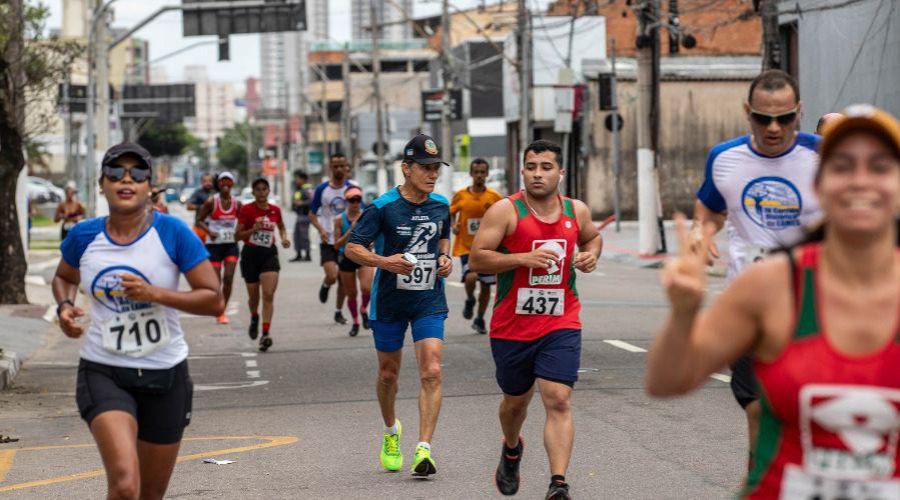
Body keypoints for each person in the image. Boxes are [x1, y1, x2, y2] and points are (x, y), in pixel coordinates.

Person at [647, 105, 900, 497]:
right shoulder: (771, 285)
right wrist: (683, 313)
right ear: (818, 184)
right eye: (843, 165)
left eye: (880, 166)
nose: (860, 181)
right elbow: (666, 382)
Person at [52, 142, 223, 499]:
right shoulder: (84, 235)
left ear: (150, 186)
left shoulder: (173, 232)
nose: (125, 179)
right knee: (126, 483)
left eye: (137, 173)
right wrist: (65, 306)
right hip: (104, 369)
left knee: (149, 494)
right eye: (115, 172)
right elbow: (64, 277)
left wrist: (154, 294)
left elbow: (212, 299)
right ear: (102, 183)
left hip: (166, 373)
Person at [692, 69, 822, 463]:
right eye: (763, 118)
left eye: (784, 118)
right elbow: (710, 210)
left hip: (811, 304)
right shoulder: (725, 158)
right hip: (747, 304)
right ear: (747, 111)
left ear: (798, 111)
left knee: (807, 408)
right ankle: (761, 478)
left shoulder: (823, 154)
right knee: (757, 405)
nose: (773, 128)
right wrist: (703, 232)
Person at [469, 140, 601, 500]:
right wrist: (521, 259)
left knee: (558, 398)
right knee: (515, 403)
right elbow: (478, 259)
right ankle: (511, 448)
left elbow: (592, 239)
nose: (537, 173)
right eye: (531, 167)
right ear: (522, 170)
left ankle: (558, 483)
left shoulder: (576, 211)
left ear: (561, 172)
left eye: (545, 167)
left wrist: (590, 256)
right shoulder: (505, 211)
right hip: (512, 326)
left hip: (561, 321)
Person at [345, 134, 452, 478]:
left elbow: (444, 234)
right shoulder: (383, 207)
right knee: (388, 374)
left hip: (428, 299)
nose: (432, 174)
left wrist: (446, 256)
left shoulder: (440, 205)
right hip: (389, 301)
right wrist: (384, 262)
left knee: (431, 370)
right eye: (425, 167)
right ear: (406, 168)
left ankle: (424, 448)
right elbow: (352, 248)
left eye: (436, 168)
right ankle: (391, 431)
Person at [235, 178, 290, 352]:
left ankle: (265, 333)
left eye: (264, 189)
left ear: (268, 191)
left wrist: (284, 238)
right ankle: (254, 317)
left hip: (269, 254)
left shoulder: (275, 210)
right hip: (250, 255)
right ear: (253, 192)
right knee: (253, 297)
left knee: (268, 294)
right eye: (257, 189)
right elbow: (237, 236)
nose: (261, 192)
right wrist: (253, 229)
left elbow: (281, 226)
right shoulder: (246, 210)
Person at [450, 158, 503, 334]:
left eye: (482, 172)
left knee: (487, 286)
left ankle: (480, 318)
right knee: (471, 277)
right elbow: (451, 212)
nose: (479, 175)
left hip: (488, 247)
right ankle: (470, 298)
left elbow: (504, 216)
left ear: (487, 174)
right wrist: (454, 225)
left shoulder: (494, 197)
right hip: (467, 246)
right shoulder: (461, 195)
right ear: (471, 174)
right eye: (476, 172)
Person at [195, 171, 241, 325]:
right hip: (214, 245)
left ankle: (222, 310)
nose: (226, 184)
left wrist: (240, 232)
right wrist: (210, 232)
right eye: (223, 181)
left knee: (228, 278)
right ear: (219, 184)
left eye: (228, 181)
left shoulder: (237, 203)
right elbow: (199, 220)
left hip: (230, 245)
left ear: (232, 184)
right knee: (216, 281)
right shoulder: (211, 202)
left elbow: (243, 222)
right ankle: (217, 305)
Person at [333, 186, 373, 337]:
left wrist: (371, 243)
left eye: (358, 199)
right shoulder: (339, 220)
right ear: (346, 201)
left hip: (364, 256)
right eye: (352, 200)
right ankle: (355, 321)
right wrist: (351, 230)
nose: (355, 203)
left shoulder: (367, 216)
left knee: (367, 288)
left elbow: (372, 236)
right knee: (351, 294)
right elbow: (336, 245)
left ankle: (363, 309)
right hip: (346, 257)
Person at [290, 170, 313, 262]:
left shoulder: (307, 189)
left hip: (305, 215)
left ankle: (307, 255)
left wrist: (301, 203)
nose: (296, 180)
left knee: (304, 236)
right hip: (299, 215)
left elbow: (311, 201)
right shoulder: (299, 189)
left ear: (303, 179)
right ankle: (298, 254)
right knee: (297, 235)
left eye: (298, 178)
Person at [187, 174, 215, 243]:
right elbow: (189, 206)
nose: (208, 183)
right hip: (200, 227)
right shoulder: (198, 193)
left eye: (210, 181)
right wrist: (201, 207)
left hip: (214, 227)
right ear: (202, 182)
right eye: (205, 181)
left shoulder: (217, 193)